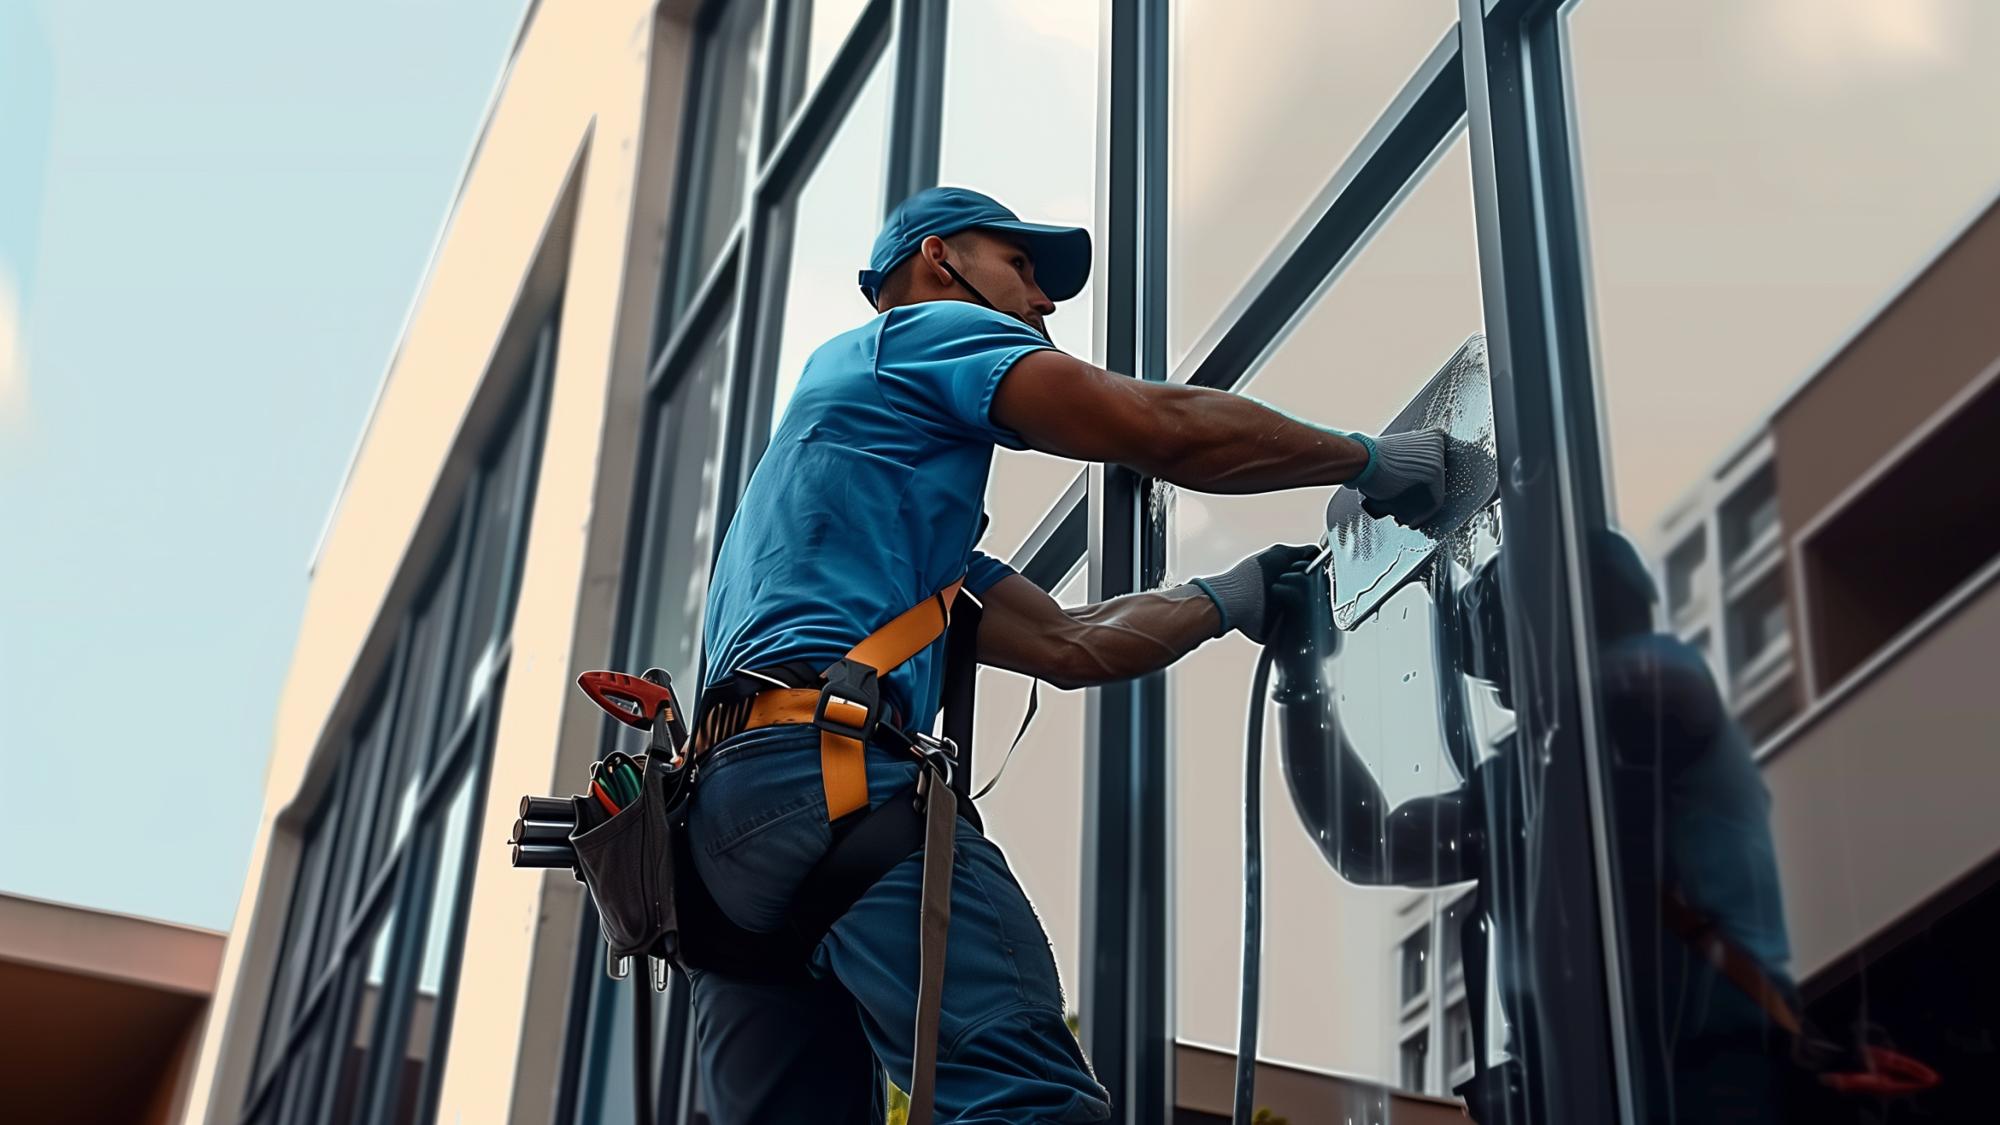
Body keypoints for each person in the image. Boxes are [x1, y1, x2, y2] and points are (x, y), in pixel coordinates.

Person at [682, 186, 1450, 1123]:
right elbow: (1158, 429)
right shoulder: (910, 340)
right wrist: (1369, 459)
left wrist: (1227, 598)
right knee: (1028, 1098)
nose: (1044, 303)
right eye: (1021, 269)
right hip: (827, 781)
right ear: (938, 261)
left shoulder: (868, 505)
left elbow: (1068, 643)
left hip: (726, 850)